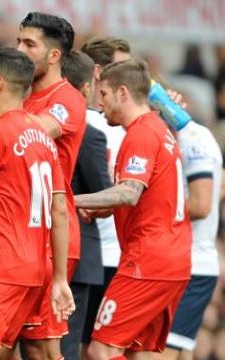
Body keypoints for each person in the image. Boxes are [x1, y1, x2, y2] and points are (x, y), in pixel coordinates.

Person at [0, 47, 74, 360]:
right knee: (2, 353)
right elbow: (60, 210)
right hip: (35, 269)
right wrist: (59, 278)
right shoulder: (43, 136)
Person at [75, 59, 191, 359]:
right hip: (172, 257)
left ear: (123, 93)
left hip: (148, 260)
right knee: (135, 352)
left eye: (104, 95)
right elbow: (148, 197)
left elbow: (129, 193)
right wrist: (104, 207)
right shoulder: (160, 128)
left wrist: (68, 200)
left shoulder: (141, 133)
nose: (99, 106)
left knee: (100, 349)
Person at [15, 12, 87, 358]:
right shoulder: (23, 101)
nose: (19, 50)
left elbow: (36, 130)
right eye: (18, 41)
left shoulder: (67, 98)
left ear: (54, 55)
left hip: (51, 235)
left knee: (41, 345)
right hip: (17, 232)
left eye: (29, 44)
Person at [78, 36, 131, 355]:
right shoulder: (79, 122)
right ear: (98, 73)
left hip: (122, 256)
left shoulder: (135, 122)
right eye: (122, 66)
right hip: (91, 252)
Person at [59, 50, 112, 360]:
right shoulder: (88, 134)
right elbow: (104, 195)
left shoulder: (36, 126)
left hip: (63, 256)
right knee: (65, 345)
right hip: (77, 254)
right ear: (84, 89)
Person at [162, 120, 222, 358]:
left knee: (162, 351)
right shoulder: (198, 137)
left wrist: (152, 210)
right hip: (182, 259)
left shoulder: (194, 139)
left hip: (190, 263)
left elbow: (200, 205)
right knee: (181, 350)